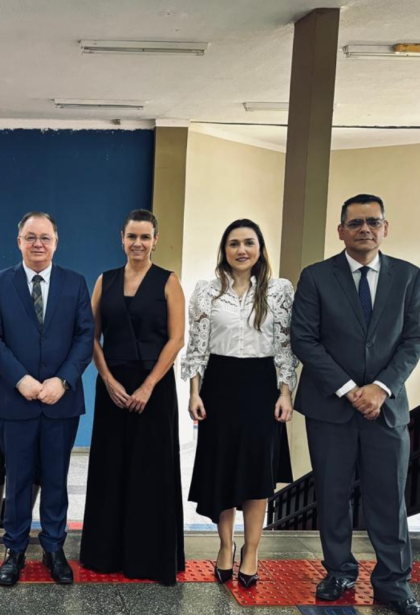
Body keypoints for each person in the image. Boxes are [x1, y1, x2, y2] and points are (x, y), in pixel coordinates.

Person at [292, 195, 420, 615]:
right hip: (330, 408)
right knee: (332, 495)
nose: (364, 228)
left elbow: (414, 338)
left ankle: (393, 583)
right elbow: (304, 339)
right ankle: (339, 572)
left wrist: (381, 388)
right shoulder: (316, 277)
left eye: (373, 221)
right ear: (341, 231)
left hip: (386, 409)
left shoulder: (408, 276)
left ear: (385, 228)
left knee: (389, 498)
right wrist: (351, 389)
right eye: (355, 223)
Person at [182, 219, 297, 588]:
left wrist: (285, 392)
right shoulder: (206, 291)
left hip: (262, 388)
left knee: (257, 474)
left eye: (249, 242)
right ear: (225, 250)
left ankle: (251, 550)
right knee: (223, 470)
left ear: (260, 249)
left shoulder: (279, 290)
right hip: (219, 386)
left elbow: (286, 347)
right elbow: (197, 346)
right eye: (234, 243)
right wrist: (194, 392)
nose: (241, 250)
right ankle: (225, 546)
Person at [0, 211, 94, 587]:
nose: (38, 244)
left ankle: (53, 548)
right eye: (30, 237)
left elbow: (85, 337)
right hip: (18, 402)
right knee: (17, 481)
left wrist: (63, 380)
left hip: (62, 401)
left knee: (56, 480)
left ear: (56, 242)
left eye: (45, 237)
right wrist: (22, 380)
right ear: (19, 242)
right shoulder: (0, 283)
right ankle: (14, 550)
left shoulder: (75, 283)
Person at [80, 209, 186, 584]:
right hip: (113, 385)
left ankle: (148, 558)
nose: (138, 243)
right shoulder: (104, 280)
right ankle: (105, 554)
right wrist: (107, 380)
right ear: (121, 239)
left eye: (144, 237)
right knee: (110, 468)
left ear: (155, 240)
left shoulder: (168, 281)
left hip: (154, 387)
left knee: (150, 470)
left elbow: (176, 339)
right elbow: (91, 336)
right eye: (132, 237)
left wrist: (148, 385)